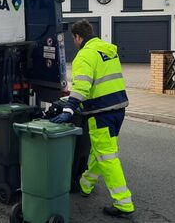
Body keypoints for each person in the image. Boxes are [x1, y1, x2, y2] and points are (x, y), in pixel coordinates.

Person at [50, 19, 134, 218]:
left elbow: (82, 87)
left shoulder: (84, 55)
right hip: (118, 109)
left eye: (74, 39)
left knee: (107, 157)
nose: (75, 42)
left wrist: (69, 109)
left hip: (100, 113)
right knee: (102, 152)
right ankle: (86, 184)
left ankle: (123, 203)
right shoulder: (108, 51)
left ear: (78, 37)